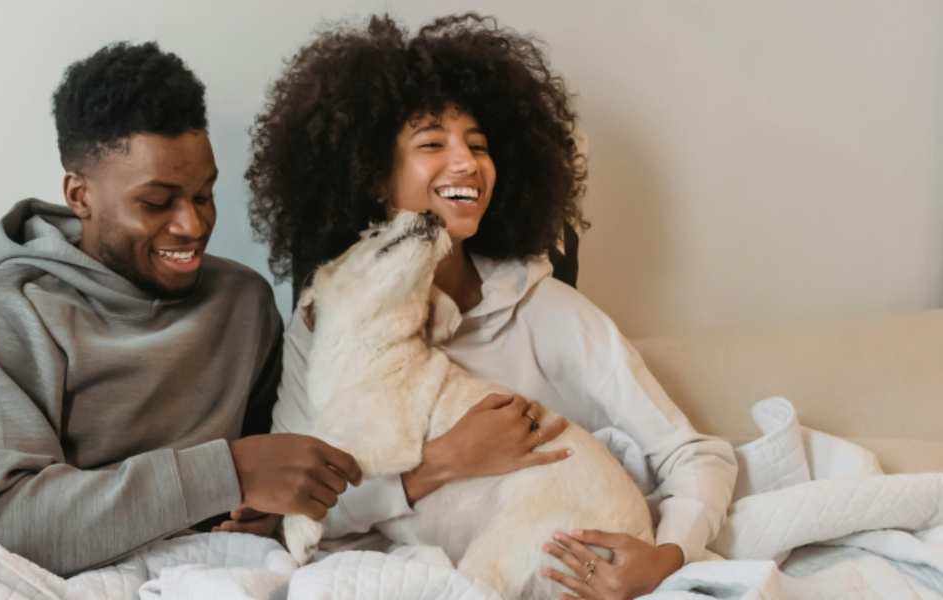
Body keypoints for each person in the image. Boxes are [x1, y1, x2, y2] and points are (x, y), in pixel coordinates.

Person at [235, 14, 738, 600]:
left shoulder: (546, 311)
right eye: (432, 144)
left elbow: (696, 455)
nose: (467, 163)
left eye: (479, 146)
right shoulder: (324, 322)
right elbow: (300, 500)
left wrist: (665, 557)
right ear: (373, 175)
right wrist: (442, 464)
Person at [0, 41, 364, 598]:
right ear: (79, 194)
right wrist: (227, 471)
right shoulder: (2, 316)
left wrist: (260, 508)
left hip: (192, 570)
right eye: (158, 203)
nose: (192, 225)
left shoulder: (244, 304)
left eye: (204, 195)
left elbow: (261, 474)